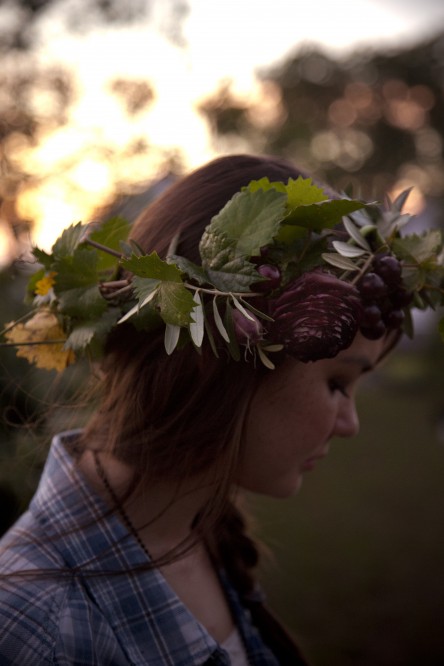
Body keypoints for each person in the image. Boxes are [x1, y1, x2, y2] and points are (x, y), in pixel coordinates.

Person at [0, 154, 442, 665]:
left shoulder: (196, 533)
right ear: (220, 362)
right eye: (338, 383)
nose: (350, 424)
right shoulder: (35, 627)